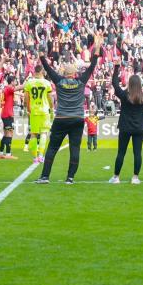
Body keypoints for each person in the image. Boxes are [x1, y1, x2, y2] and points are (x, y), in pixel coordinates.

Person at [35, 34, 102, 184]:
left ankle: (45, 176)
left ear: (65, 73)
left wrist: (41, 55)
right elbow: (92, 66)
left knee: (52, 148)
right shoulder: (80, 81)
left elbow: (46, 67)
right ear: (75, 73)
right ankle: (70, 178)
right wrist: (97, 48)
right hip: (77, 119)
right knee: (75, 149)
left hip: (62, 118)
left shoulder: (59, 80)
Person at [109, 62, 143, 184]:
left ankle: (116, 177)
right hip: (139, 128)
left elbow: (114, 83)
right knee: (137, 153)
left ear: (129, 84)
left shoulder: (124, 95)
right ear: (139, 85)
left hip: (125, 127)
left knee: (121, 152)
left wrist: (116, 68)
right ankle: (135, 177)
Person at [22, 66, 54, 163]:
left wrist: (27, 109)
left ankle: (35, 157)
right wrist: (52, 109)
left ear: (34, 72)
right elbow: (49, 98)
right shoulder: (47, 83)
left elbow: (26, 98)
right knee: (44, 133)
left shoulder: (29, 83)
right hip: (44, 111)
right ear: (42, 71)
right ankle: (41, 156)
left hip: (34, 111)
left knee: (33, 134)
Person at [0, 75, 18, 160]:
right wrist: (27, 85)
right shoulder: (9, 88)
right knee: (9, 133)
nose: (16, 82)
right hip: (7, 114)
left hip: (6, 113)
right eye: (15, 81)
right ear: (12, 81)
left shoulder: (7, 88)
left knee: (6, 133)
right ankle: (8, 154)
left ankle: (0, 153)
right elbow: (17, 89)